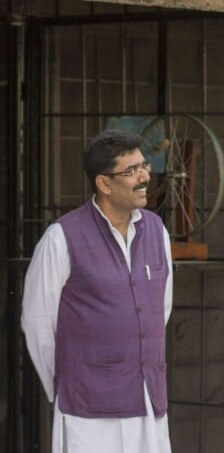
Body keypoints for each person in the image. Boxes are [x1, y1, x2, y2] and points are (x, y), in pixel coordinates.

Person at [21, 129, 173, 453]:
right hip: (87, 413)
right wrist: (66, 385)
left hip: (148, 402)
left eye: (144, 166)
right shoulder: (61, 237)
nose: (144, 176)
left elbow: (161, 308)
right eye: (131, 171)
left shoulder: (157, 232)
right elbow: (37, 322)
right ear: (104, 184)